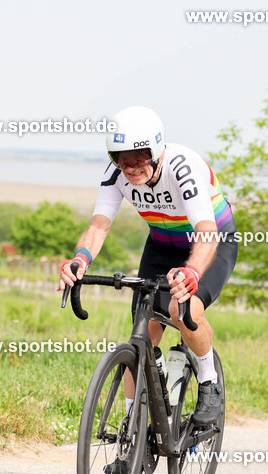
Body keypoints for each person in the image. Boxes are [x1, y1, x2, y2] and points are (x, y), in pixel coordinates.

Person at [58, 105, 238, 432]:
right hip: (162, 245)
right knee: (141, 334)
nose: (131, 167)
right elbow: (99, 226)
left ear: (156, 151)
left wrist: (192, 273)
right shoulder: (116, 176)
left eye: (139, 157)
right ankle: (134, 425)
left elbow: (207, 231)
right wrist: (80, 259)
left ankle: (209, 385)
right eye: (121, 158)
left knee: (185, 308)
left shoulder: (182, 168)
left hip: (211, 240)